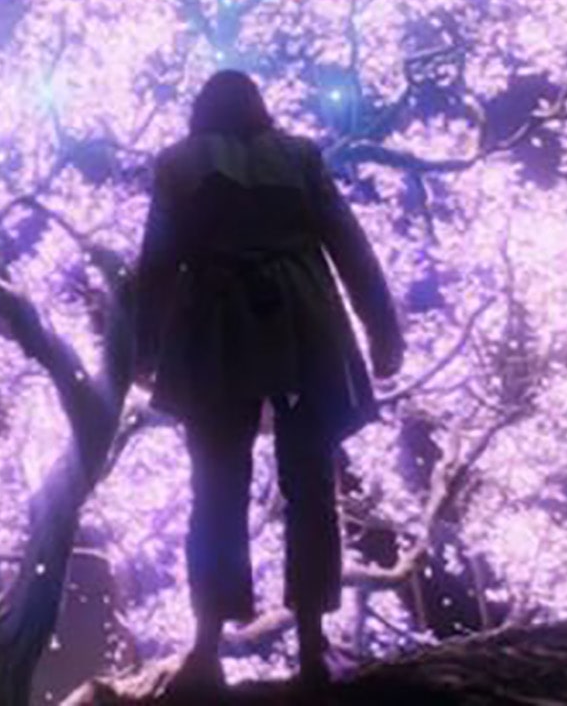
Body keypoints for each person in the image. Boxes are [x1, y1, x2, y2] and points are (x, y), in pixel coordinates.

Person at [126, 69, 405, 692]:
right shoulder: (300, 156)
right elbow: (349, 244)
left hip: (214, 329)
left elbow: (157, 260)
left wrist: (144, 347)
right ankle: (311, 643)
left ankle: (206, 650)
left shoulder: (177, 164)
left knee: (217, 486)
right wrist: (383, 330)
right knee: (310, 482)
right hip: (304, 321)